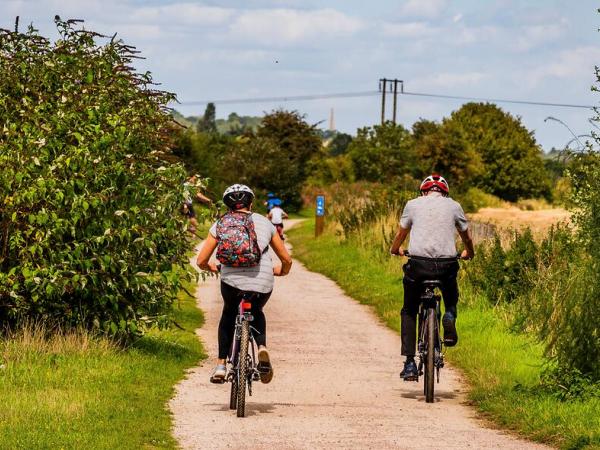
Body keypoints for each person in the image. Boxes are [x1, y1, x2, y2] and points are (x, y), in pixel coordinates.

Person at [196, 184, 293, 384]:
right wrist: (281, 271)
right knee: (256, 310)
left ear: (227, 204)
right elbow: (286, 260)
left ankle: (221, 365)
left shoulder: (220, 224)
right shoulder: (264, 223)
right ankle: (262, 348)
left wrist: (213, 267)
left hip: (231, 282)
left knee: (229, 314)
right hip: (262, 281)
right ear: (251, 202)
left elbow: (201, 261)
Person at [389, 174, 475, 380]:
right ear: (444, 193)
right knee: (451, 295)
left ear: (423, 191)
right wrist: (469, 252)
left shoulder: (412, 205)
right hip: (446, 265)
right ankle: (450, 315)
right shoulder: (454, 206)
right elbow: (466, 236)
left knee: (409, 309)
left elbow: (402, 233)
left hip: (418, 265)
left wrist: (395, 249)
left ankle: (409, 363)